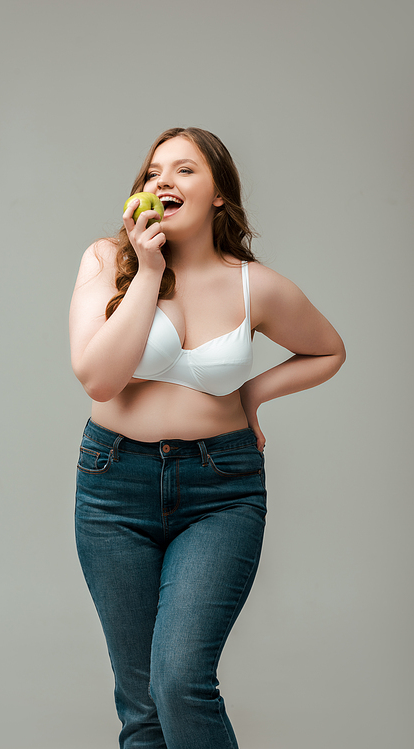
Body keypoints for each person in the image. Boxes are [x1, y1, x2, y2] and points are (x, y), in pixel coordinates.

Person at [69, 127, 345, 749]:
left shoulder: (255, 285)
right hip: (113, 488)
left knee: (180, 681)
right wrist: (146, 272)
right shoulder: (105, 263)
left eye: (185, 170)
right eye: (153, 171)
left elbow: (328, 350)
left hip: (220, 490)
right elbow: (99, 376)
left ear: (219, 194)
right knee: (141, 706)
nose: (163, 181)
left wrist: (250, 393)